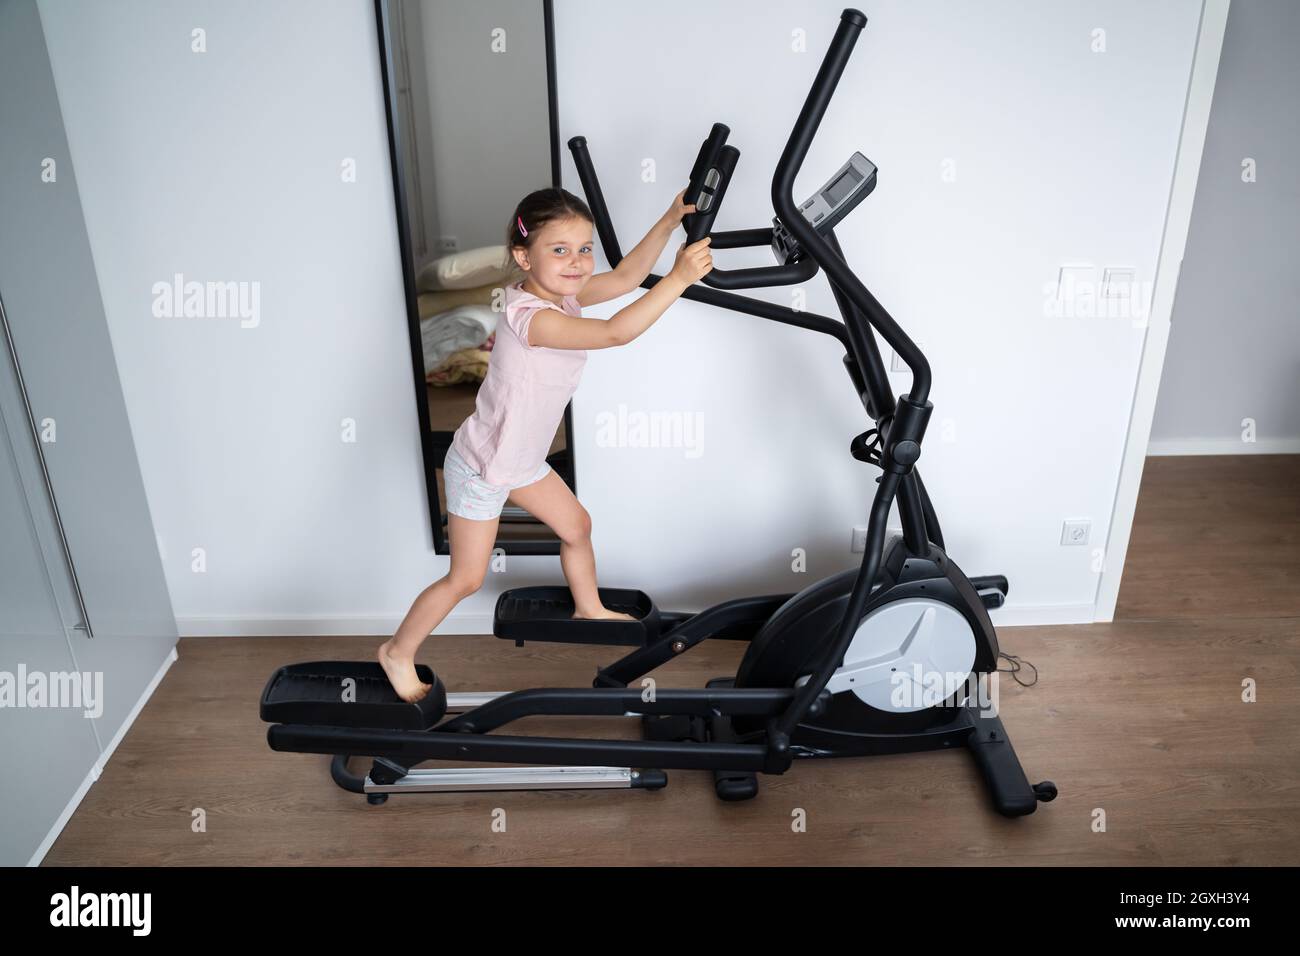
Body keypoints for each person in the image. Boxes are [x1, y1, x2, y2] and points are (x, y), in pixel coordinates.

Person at [379, 186, 713, 701]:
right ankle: (397, 653)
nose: (577, 262)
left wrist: (670, 220)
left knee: (577, 527)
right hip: (484, 466)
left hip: (524, 459)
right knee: (466, 578)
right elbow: (614, 334)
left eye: (584, 248)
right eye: (559, 250)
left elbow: (625, 278)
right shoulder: (532, 317)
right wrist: (680, 278)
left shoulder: (564, 296)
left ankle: (588, 606)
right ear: (523, 256)